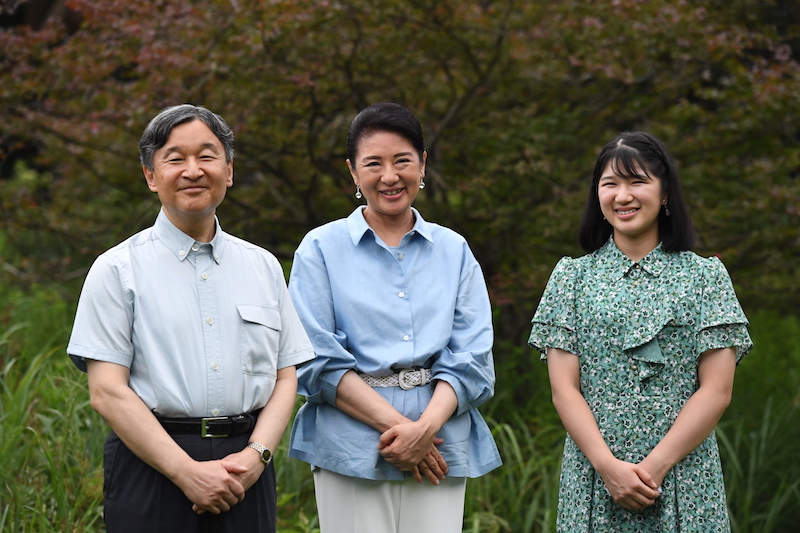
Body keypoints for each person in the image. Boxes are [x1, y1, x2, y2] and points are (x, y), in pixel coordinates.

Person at [67, 104, 315, 533]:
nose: (193, 170)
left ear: (229, 170)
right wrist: (186, 471)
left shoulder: (264, 266)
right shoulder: (116, 269)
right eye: (175, 158)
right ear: (150, 176)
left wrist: (257, 456)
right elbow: (107, 392)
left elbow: (285, 375)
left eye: (207, 155)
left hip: (246, 468)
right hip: (151, 466)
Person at [287, 102, 501, 533]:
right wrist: (407, 433)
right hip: (350, 442)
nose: (389, 176)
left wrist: (426, 430)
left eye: (402, 160)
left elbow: (473, 355)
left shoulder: (453, 249)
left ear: (422, 164)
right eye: (373, 164)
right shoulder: (320, 248)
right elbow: (313, 358)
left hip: (441, 441)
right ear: (353, 172)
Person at [528, 131, 753, 532]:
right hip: (594, 476)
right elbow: (564, 389)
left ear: (665, 193)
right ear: (597, 196)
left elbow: (717, 390)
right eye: (610, 184)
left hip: (686, 475)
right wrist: (608, 468)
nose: (623, 195)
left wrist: (653, 468)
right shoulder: (571, 277)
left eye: (638, 181)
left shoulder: (705, 276)